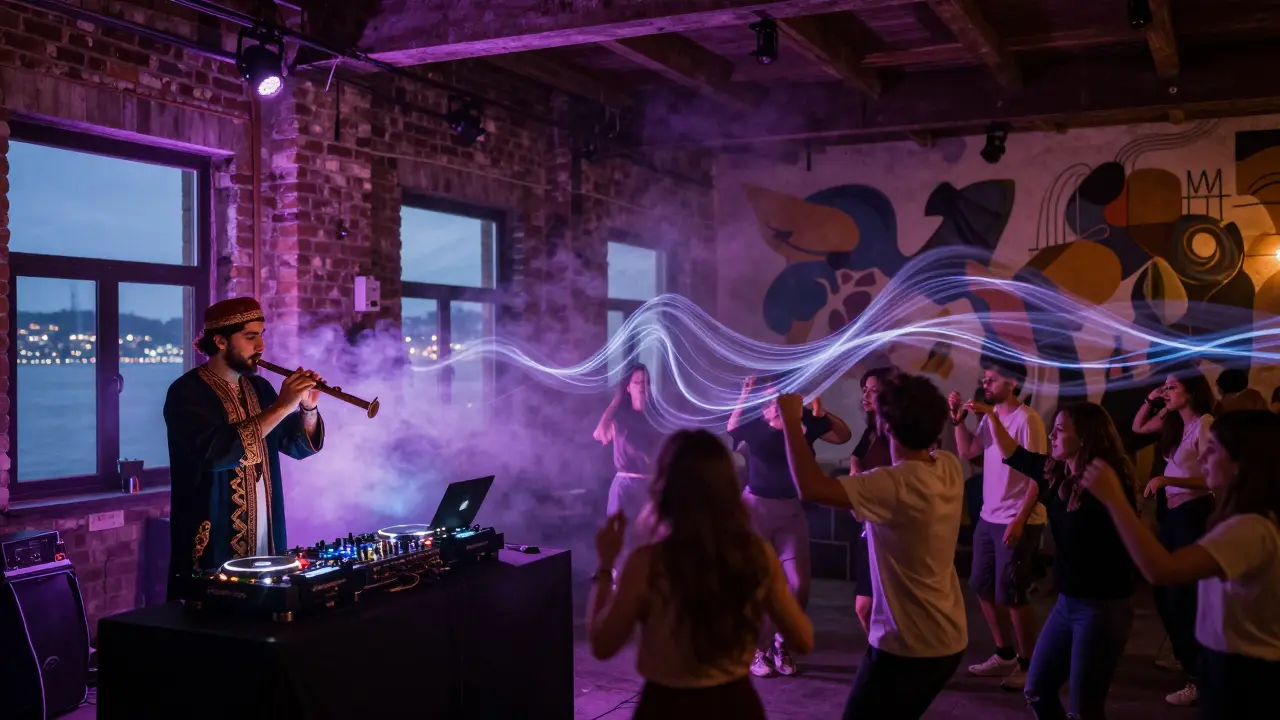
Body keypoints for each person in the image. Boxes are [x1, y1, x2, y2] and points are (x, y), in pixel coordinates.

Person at [586, 430, 815, 719]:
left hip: (666, 705)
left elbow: (603, 645)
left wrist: (605, 565)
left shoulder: (646, 562)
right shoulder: (755, 554)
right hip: (734, 704)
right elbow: (803, 639)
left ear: (664, 485)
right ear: (727, 486)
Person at [777, 374, 967, 720]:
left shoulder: (892, 484)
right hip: (949, 638)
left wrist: (791, 421)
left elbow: (809, 487)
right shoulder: (949, 467)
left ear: (886, 425)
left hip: (908, 645)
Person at [1081, 410, 1280, 720]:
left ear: (1242, 463)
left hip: (1245, 670)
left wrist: (1114, 499)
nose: (1202, 458)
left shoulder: (1249, 528)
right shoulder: (1246, 519)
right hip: (1232, 663)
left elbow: (1163, 570)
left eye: (1213, 450)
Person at [969, 400, 1137, 719]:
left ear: (1085, 438)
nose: (1052, 436)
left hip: (1103, 607)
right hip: (1067, 603)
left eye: (1060, 430)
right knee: (1037, 691)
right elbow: (1013, 454)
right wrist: (991, 416)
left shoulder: (1107, 485)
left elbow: (1129, 544)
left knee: (1084, 710)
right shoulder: (1056, 473)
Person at [164, 298, 325, 600]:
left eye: (262, 335)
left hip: (266, 529)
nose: (261, 346)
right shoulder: (187, 392)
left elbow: (295, 446)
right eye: (251, 337)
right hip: (212, 538)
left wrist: (306, 409)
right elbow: (215, 454)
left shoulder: (259, 389)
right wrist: (281, 406)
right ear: (221, 341)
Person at [728, 374, 851, 676]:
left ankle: (780, 644)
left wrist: (821, 411)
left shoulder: (803, 426)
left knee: (799, 584)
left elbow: (843, 436)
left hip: (790, 511)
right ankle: (758, 650)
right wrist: (745, 393)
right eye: (770, 400)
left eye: (779, 398)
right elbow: (732, 429)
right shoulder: (756, 428)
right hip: (756, 508)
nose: (774, 404)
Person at [950, 358, 1047, 690]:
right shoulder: (992, 419)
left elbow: (1038, 475)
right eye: (985, 379)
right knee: (980, 585)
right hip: (988, 517)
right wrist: (957, 422)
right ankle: (1004, 654)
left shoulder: (1028, 420)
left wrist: (1020, 520)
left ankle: (1029, 664)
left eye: (991, 380)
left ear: (1013, 384)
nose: (985, 384)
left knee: (1013, 594)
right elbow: (968, 452)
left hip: (1015, 519)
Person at [1131, 366, 1215, 706]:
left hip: (1193, 515)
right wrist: (1151, 399)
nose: (1165, 392)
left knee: (1182, 596)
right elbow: (1137, 427)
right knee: (1163, 590)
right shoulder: (1175, 423)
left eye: (1171, 387)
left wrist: (1168, 481)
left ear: (1191, 391)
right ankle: (1189, 664)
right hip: (1172, 513)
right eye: (1164, 388)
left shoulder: (1205, 423)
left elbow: (1212, 480)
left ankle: (1197, 677)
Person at [594, 363, 664, 558]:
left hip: (649, 486)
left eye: (645, 382)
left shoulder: (657, 417)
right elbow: (600, 434)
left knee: (648, 537)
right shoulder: (621, 416)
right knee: (621, 538)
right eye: (637, 382)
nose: (642, 386)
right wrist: (616, 401)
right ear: (628, 387)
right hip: (625, 485)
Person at [850, 367, 895, 634]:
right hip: (868, 526)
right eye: (864, 389)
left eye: (873, 390)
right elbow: (857, 454)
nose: (866, 395)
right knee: (864, 606)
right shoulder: (872, 430)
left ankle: (889, 659)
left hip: (889, 529)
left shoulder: (895, 433)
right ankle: (881, 656)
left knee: (876, 606)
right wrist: (856, 468)